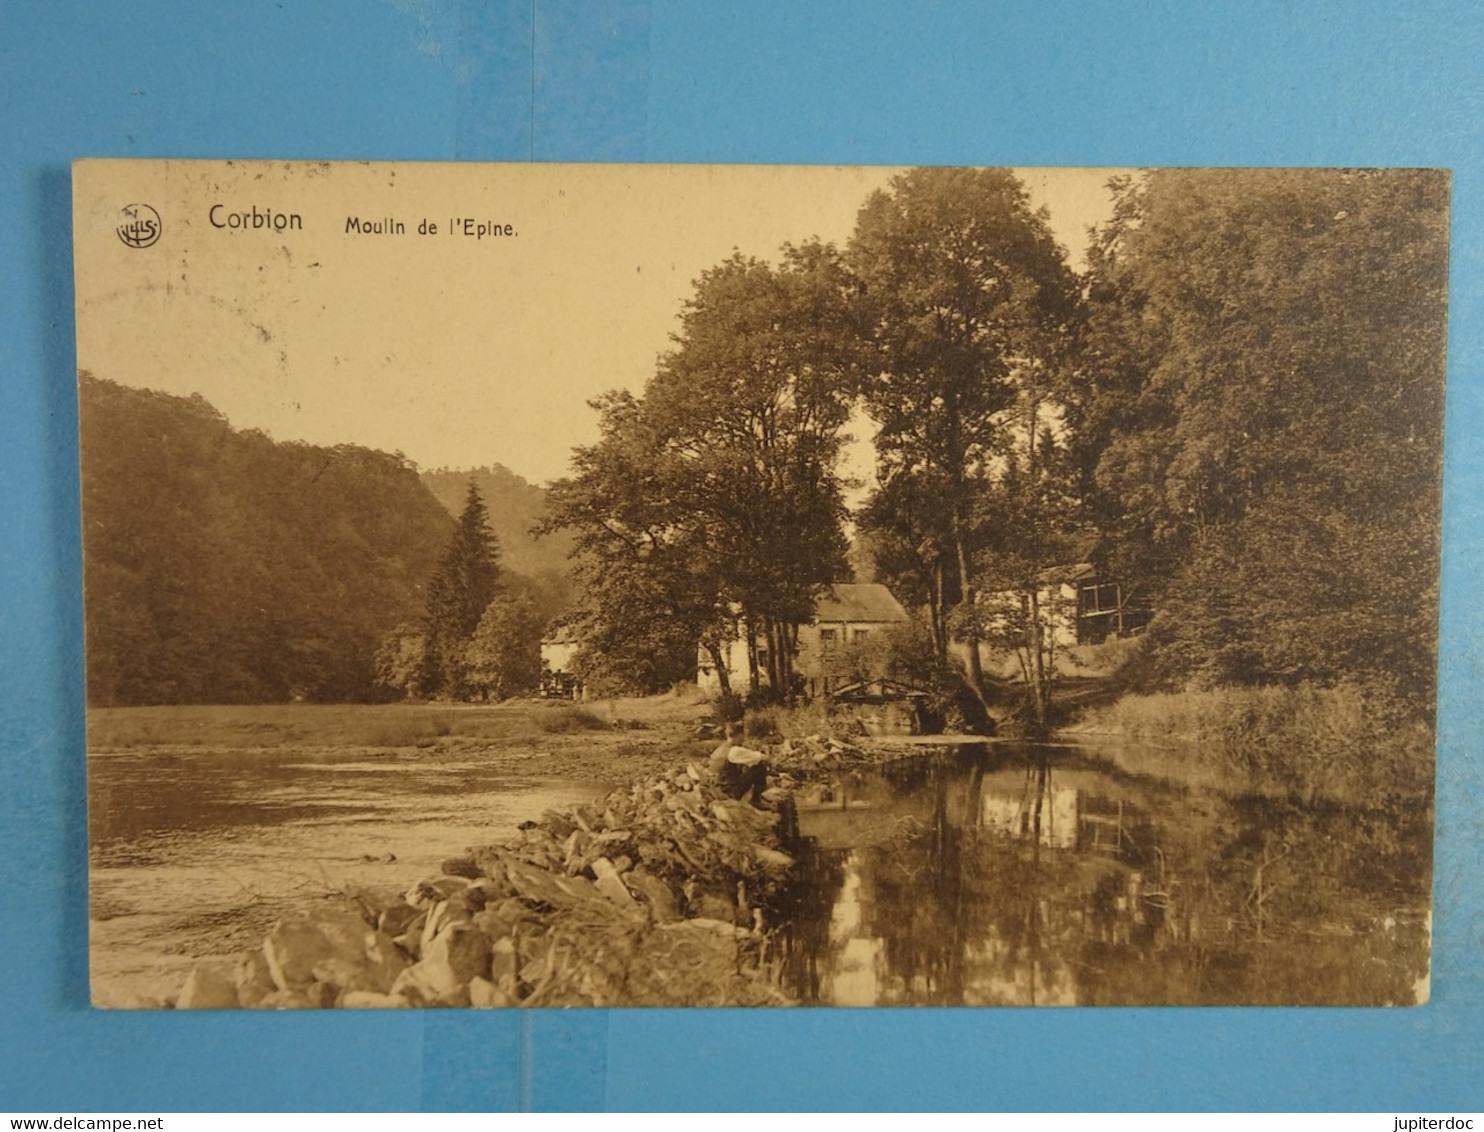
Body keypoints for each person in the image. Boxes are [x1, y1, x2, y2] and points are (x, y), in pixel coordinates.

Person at [708, 724, 771, 805]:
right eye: (742, 737)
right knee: (760, 766)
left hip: (717, 788)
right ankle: (756, 800)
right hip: (730, 791)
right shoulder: (734, 750)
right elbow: (760, 757)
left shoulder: (719, 749)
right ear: (739, 735)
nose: (743, 740)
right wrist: (769, 761)